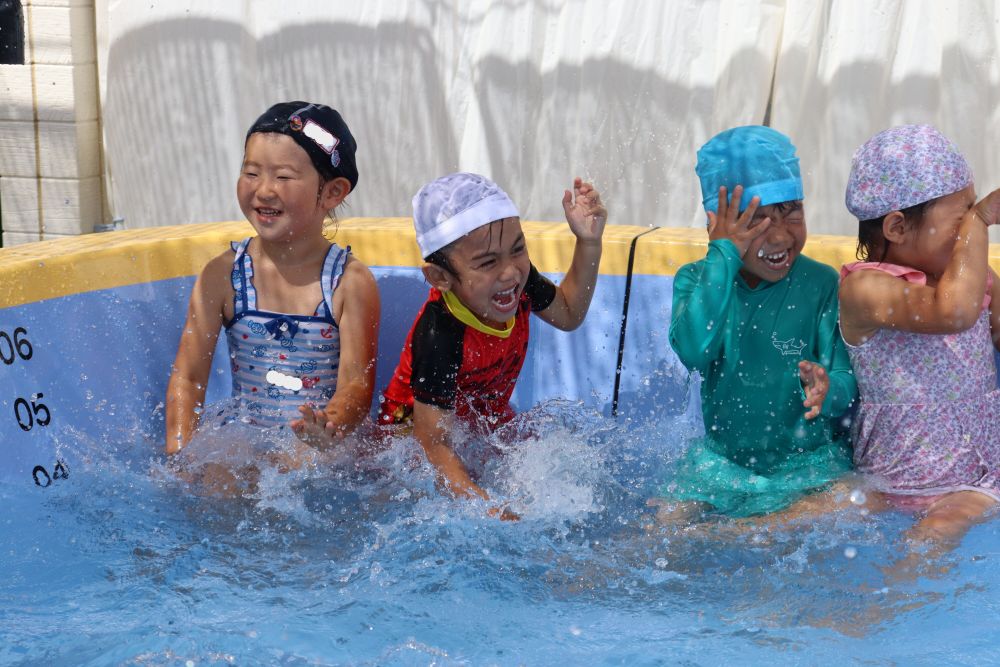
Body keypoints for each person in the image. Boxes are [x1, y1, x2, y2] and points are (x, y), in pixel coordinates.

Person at [651, 125, 858, 520]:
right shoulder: (697, 280)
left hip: (806, 465)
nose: (780, 236)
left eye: (792, 211)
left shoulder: (821, 284)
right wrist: (723, 254)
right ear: (717, 224)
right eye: (757, 221)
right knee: (667, 522)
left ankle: (737, 534)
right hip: (722, 466)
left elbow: (845, 379)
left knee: (846, 501)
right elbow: (694, 350)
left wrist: (827, 389)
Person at [378, 172, 606, 517]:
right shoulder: (441, 333)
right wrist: (486, 508)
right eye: (487, 262)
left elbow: (570, 314)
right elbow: (432, 443)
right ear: (441, 278)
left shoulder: (520, 281)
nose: (510, 272)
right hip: (411, 440)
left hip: (483, 424)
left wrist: (588, 242)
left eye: (518, 249)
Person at [166, 101, 380, 455]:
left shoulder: (348, 282)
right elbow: (187, 378)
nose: (264, 190)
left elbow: (356, 386)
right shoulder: (223, 274)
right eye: (251, 173)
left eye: (282, 177)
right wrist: (179, 455)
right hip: (248, 448)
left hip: (320, 450)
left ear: (332, 192)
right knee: (221, 478)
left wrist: (329, 425)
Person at [839, 124, 1000, 546]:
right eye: (961, 215)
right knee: (810, 511)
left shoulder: (973, 280)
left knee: (940, 527)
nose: (970, 228)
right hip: (889, 478)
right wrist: (982, 221)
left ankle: (893, 604)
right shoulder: (865, 288)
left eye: (972, 214)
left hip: (975, 480)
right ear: (896, 228)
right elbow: (953, 313)